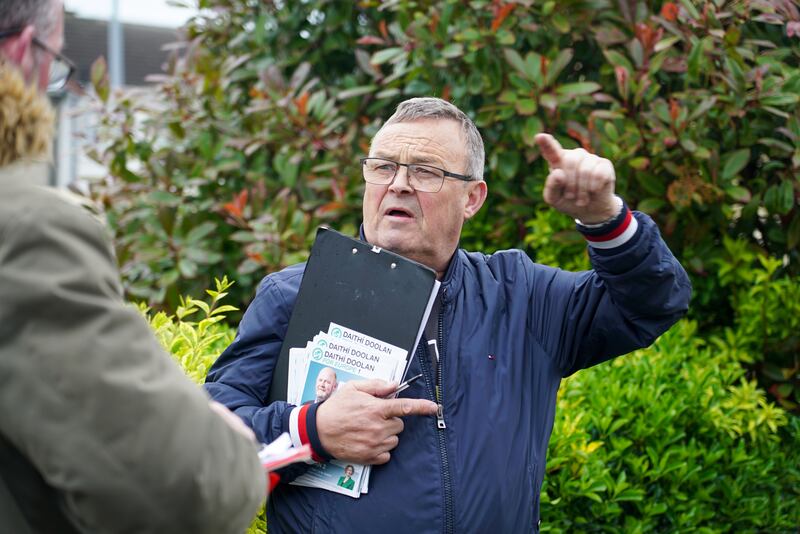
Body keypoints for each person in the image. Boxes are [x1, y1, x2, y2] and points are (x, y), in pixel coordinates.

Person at [205, 97, 691, 532]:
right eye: (383, 167)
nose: (398, 184)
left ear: (472, 198)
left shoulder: (522, 296)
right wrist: (312, 431)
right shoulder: (294, 294)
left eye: (425, 171)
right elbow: (208, 448)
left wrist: (606, 218)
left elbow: (652, 302)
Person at [0, 1, 266, 532]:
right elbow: (182, 489)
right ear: (23, 52)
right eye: (56, 60)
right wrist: (225, 442)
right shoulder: (24, 234)